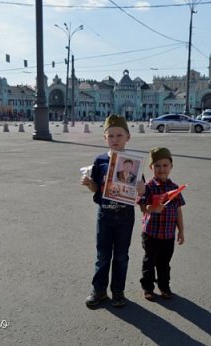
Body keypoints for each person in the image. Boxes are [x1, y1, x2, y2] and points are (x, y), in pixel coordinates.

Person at [81, 114, 144, 308]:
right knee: (102, 255)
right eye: (111, 136)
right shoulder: (100, 160)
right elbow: (96, 189)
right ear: (105, 138)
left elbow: (139, 193)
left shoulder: (133, 162)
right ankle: (99, 290)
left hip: (125, 216)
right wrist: (89, 184)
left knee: (121, 256)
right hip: (105, 214)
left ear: (128, 137)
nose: (115, 139)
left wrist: (141, 189)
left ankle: (118, 292)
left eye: (119, 135)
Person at [137, 147, 186, 301]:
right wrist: (152, 208)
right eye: (157, 165)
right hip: (151, 234)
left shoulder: (174, 188)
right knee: (149, 262)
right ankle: (148, 288)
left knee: (164, 263)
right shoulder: (148, 187)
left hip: (168, 235)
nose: (161, 169)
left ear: (171, 166)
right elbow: (142, 207)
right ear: (151, 167)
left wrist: (181, 231)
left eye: (165, 165)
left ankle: (164, 286)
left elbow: (178, 210)